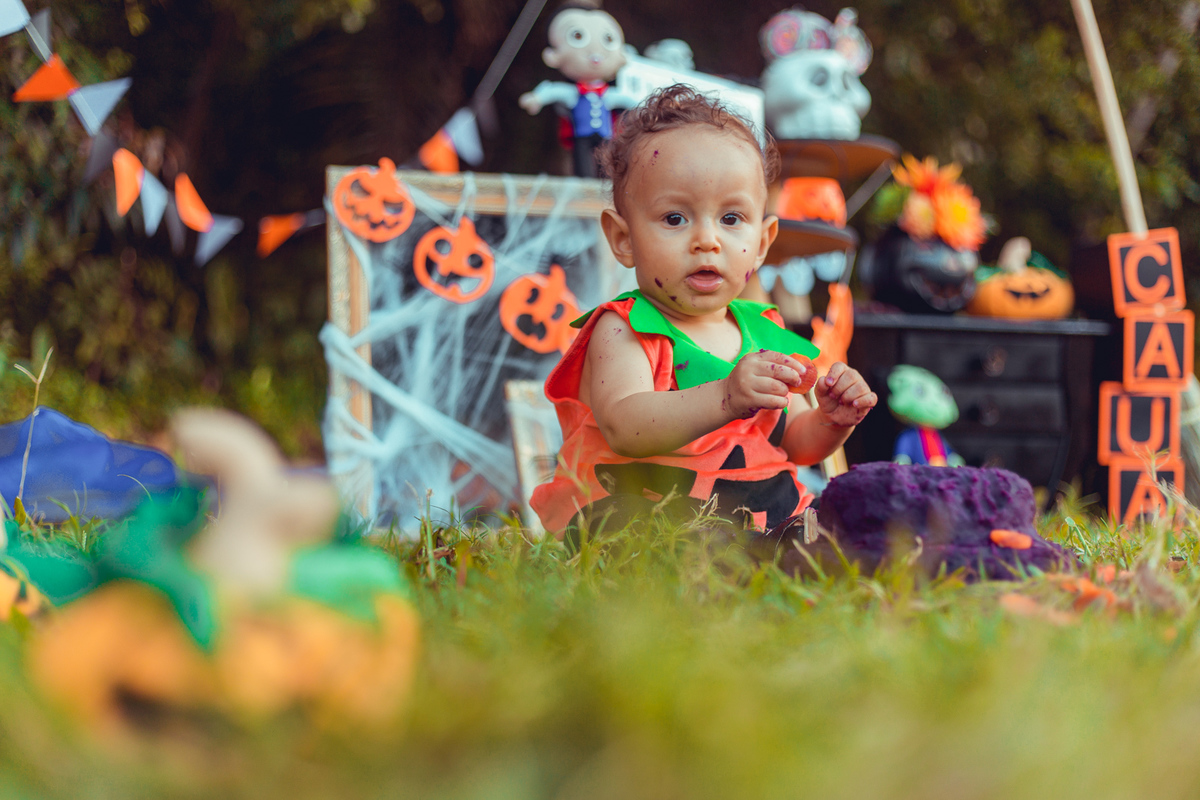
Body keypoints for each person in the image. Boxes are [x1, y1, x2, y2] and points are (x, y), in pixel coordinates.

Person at [531, 85, 877, 542]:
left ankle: (783, 547)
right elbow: (626, 427)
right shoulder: (625, 328)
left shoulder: (765, 330)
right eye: (675, 218)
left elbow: (794, 442)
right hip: (646, 506)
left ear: (762, 242)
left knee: (828, 527)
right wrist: (728, 397)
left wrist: (832, 420)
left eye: (731, 219)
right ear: (623, 239)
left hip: (751, 504)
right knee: (635, 530)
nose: (707, 240)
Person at [518, 1, 638, 178]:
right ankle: (585, 179)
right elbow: (553, 91)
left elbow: (629, 100)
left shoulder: (608, 94)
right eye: (577, 36)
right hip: (581, 135)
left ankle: (604, 178)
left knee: (605, 159)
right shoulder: (573, 93)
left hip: (605, 135)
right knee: (582, 159)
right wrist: (537, 98)